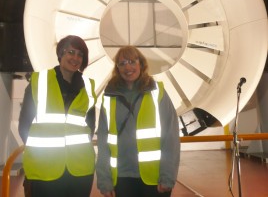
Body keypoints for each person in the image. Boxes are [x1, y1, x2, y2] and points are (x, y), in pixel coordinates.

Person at [96, 46, 180, 197]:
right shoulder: (109, 97)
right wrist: (104, 180)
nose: (127, 67)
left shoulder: (157, 93)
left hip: (154, 180)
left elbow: (171, 137)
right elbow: (103, 142)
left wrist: (168, 177)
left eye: (132, 61)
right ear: (117, 68)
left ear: (140, 64)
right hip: (122, 179)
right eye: (122, 63)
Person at [18, 35, 97, 197]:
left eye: (80, 54)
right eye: (71, 52)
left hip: (80, 170)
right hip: (45, 169)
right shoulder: (39, 81)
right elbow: (24, 126)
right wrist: (39, 155)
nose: (75, 58)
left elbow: (90, 126)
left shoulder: (88, 86)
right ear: (60, 53)